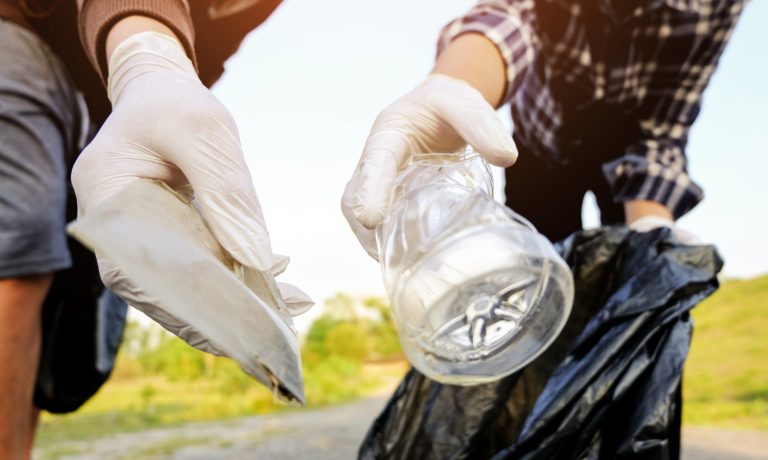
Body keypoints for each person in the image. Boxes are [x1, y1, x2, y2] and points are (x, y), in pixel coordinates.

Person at [0, 1, 308, 457]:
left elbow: (205, 56)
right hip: (21, 31)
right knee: (19, 256)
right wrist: (143, 56)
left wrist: (163, 83)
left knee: (63, 296)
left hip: (97, 96)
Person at [343, 0, 745, 253]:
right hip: (536, 148)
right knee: (536, 279)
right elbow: (511, 15)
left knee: (634, 289)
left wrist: (651, 227)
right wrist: (451, 87)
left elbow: (665, 116)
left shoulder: (713, 6)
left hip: (627, 154)